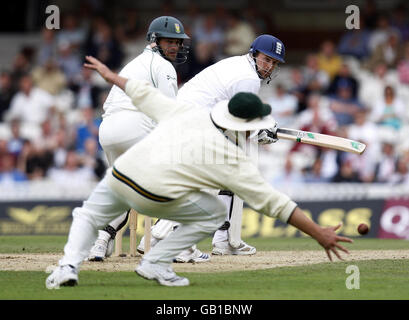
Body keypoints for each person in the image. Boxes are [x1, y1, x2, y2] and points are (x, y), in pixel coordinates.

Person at [45, 56, 353, 289]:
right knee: (213, 211)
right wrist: (320, 233)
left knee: (86, 215)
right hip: (157, 194)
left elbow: (143, 94)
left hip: (121, 176)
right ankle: (155, 261)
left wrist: (111, 75)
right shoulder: (232, 159)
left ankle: (67, 267)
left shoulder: (186, 110)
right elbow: (277, 204)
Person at [137, 34, 285, 258]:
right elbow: (240, 117)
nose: (269, 66)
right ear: (254, 54)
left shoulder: (238, 65)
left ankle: (224, 240)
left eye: (274, 63)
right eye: (267, 59)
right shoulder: (248, 78)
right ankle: (162, 237)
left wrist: (258, 129)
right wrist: (260, 132)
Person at [87, 16, 196, 262]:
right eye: (170, 42)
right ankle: (167, 241)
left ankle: (100, 242)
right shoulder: (164, 66)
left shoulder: (133, 63)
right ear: (154, 40)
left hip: (108, 130)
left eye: (178, 43)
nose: (175, 47)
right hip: (135, 127)